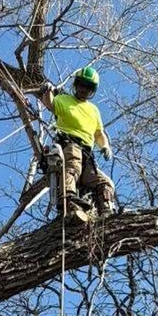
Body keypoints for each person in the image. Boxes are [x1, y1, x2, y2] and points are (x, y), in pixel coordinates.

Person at [42, 64, 115, 216]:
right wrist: (47, 90)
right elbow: (50, 105)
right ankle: (68, 198)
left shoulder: (93, 110)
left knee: (104, 182)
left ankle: (107, 211)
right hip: (70, 143)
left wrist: (105, 146)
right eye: (81, 84)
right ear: (76, 84)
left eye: (88, 87)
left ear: (92, 91)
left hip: (88, 154)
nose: (84, 89)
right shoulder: (64, 99)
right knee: (73, 167)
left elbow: (98, 134)